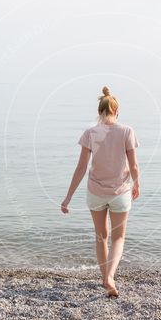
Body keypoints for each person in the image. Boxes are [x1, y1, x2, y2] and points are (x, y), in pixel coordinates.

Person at [60, 86, 140, 298]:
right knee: (119, 237)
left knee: (100, 237)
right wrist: (137, 184)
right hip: (120, 192)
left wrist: (68, 197)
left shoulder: (90, 133)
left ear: (99, 112)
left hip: (95, 192)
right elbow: (134, 167)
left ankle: (104, 277)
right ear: (117, 111)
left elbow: (80, 168)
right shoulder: (127, 131)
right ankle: (110, 277)